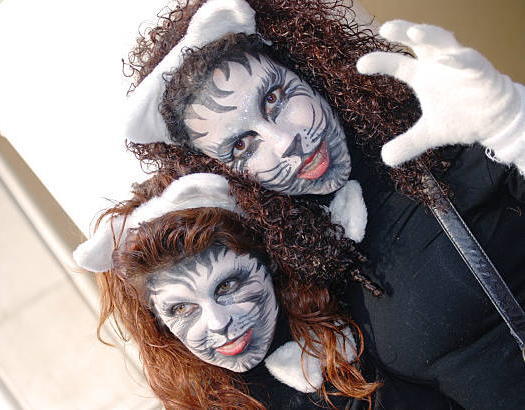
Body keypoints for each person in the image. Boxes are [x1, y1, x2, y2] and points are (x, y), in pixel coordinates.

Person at [118, 1, 525, 408]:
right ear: (227, 175)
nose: (284, 143)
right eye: (242, 145)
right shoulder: (307, 262)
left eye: (274, 99)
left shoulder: (436, 144)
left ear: (308, 68)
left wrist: (514, 128)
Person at [73, 173, 458, 409]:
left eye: (228, 285)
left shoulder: (370, 325)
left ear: (269, 262)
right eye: (180, 310)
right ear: (157, 321)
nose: (218, 323)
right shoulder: (201, 400)